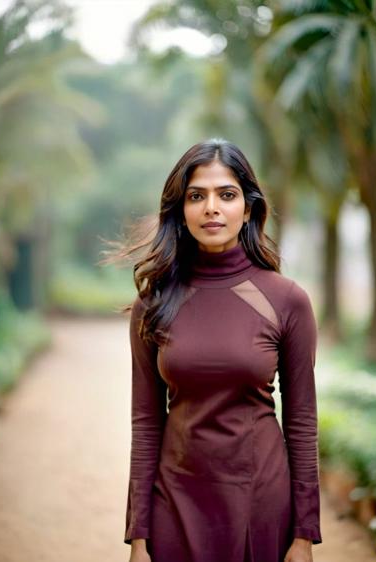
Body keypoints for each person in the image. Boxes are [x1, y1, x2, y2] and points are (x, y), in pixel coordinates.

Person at [116, 138, 322, 562]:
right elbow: (146, 421)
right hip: (174, 504)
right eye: (197, 196)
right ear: (181, 210)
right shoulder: (153, 304)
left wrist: (304, 535)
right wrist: (138, 534)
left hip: (261, 504)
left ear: (247, 209)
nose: (211, 207)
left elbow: (301, 421)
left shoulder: (287, 301)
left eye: (226, 195)